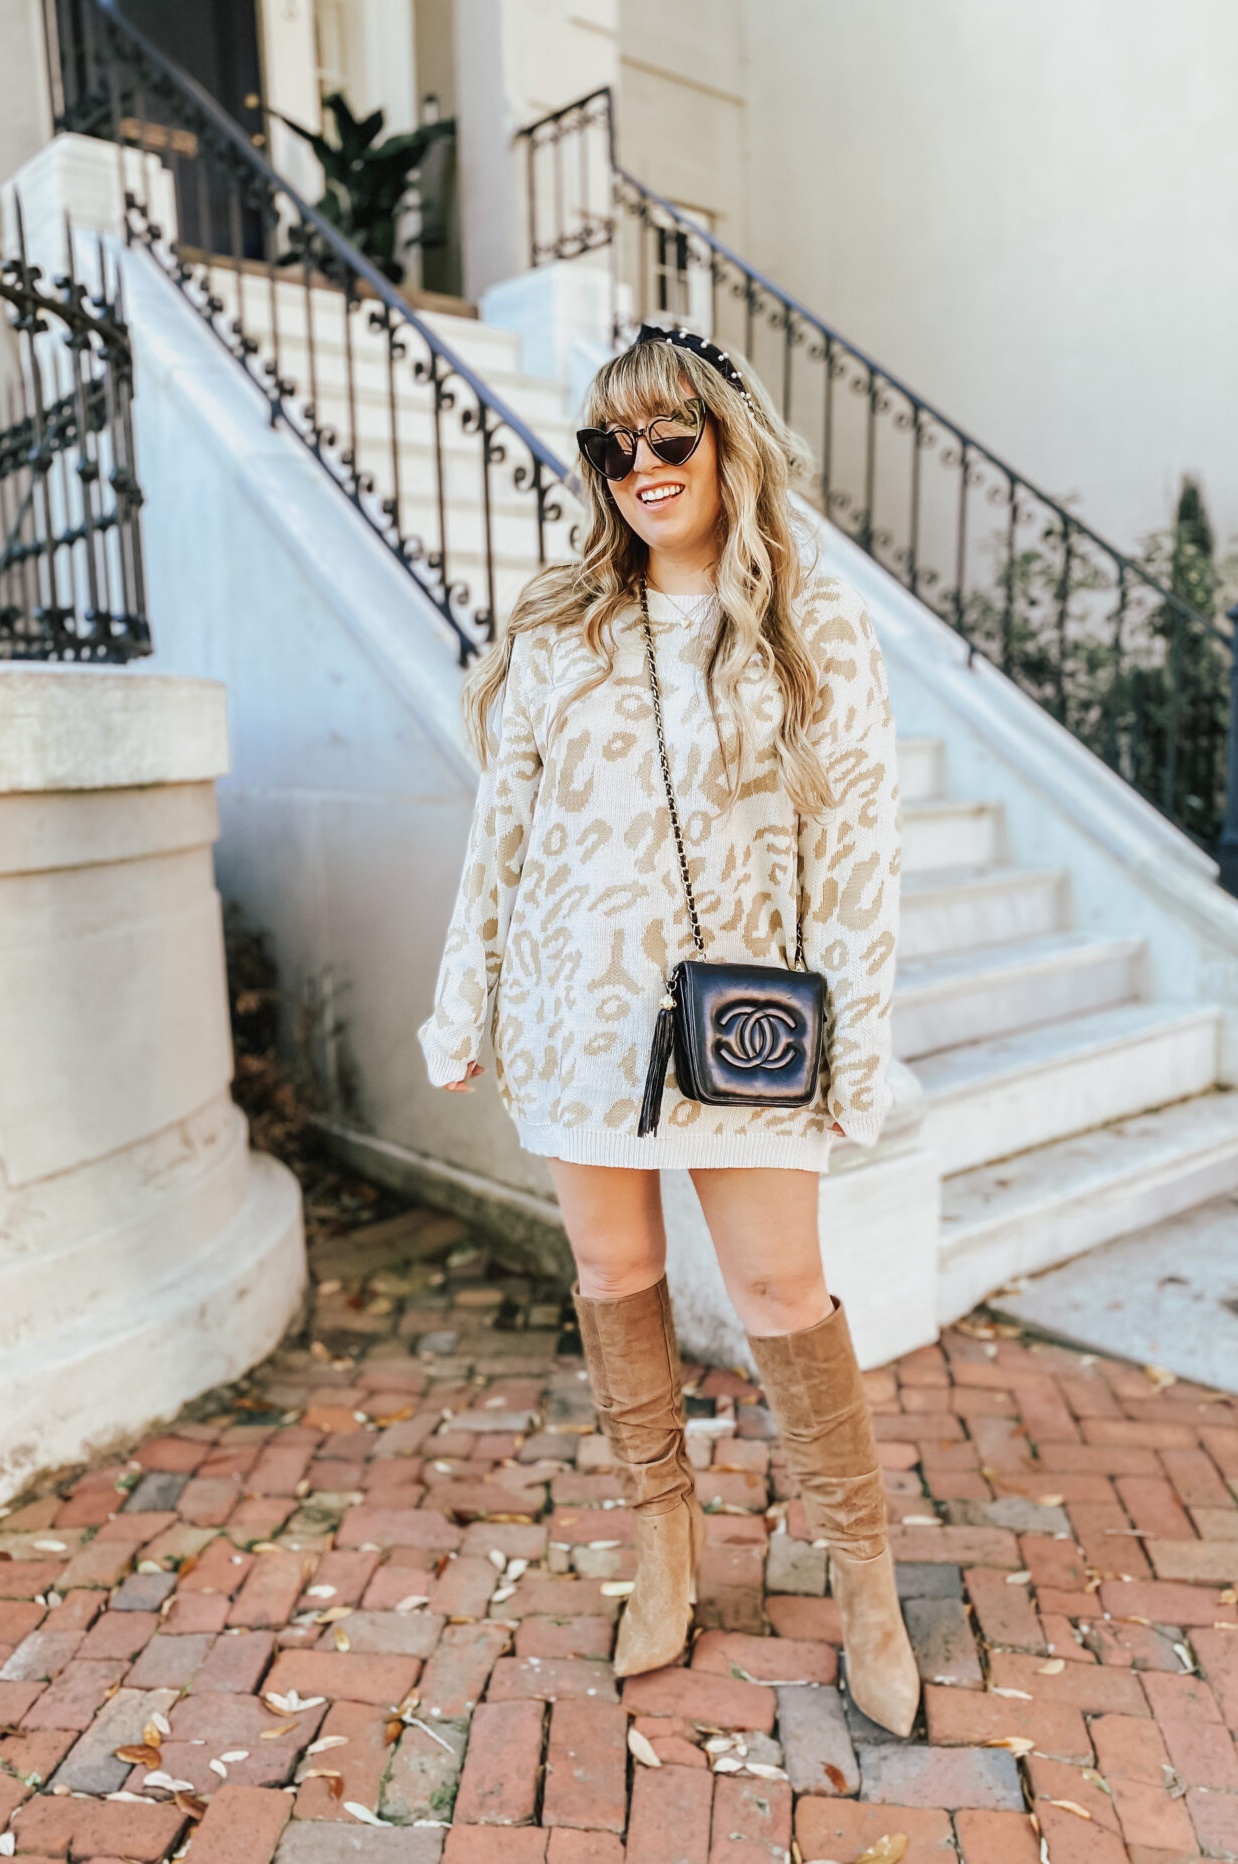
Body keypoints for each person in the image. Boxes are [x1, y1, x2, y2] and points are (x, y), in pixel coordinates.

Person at [417, 324, 917, 1736]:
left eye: (669, 439)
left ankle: (865, 1581)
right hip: (579, 1014)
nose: (640, 468)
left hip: (747, 1028)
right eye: (611, 445)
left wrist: (858, 1048)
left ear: (728, 444)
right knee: (611, 1271)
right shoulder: (561, 626)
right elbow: (501, 833)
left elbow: (865, 849)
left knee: (777, 1298)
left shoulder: (813, 622)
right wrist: (465, 1002)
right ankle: (664, 1546)